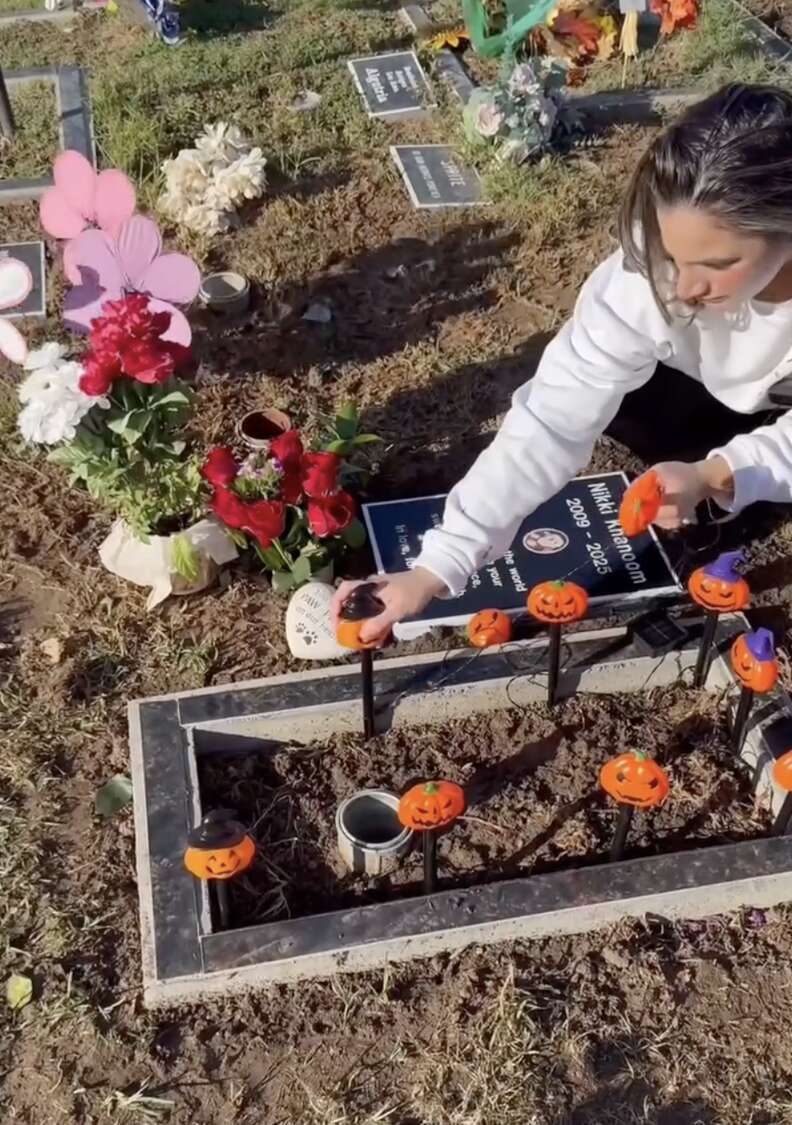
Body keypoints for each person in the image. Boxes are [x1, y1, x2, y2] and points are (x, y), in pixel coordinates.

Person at [333, 83, 792, 643]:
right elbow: (554, 415)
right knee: (639, 405)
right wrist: (439, 564)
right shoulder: (650, 273)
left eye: (717, 265)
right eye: (673, 256)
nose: (684, 286)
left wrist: (717, 472)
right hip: (687, 387)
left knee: (745, 491)